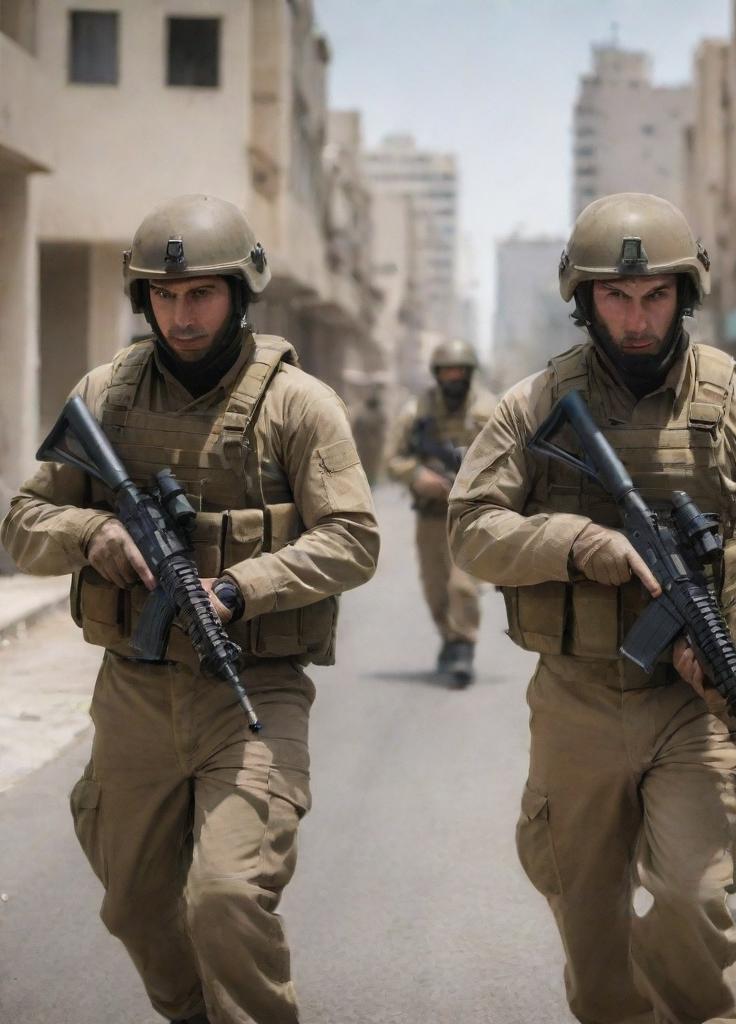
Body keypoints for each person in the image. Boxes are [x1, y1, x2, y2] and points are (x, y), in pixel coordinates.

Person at [448, 193, 736, 1024]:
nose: (634, 317)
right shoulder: (532, 406)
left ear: (685, 295)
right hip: (578, 698)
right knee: (594, 948)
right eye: (615, 297)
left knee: (695, 902)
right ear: (583, 299)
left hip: (696, 710)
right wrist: (573, 541)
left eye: (654, 296)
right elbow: (471, 530)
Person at [1, 194, 379, 1024]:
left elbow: (355, 538)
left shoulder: (298, 405)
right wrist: (94, 531)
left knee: (225, 896)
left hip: (253, 690)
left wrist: (245, 587)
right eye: (164, 297)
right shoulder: (106, 394)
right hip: (133, 690)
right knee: (134, 906)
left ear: (241, 294)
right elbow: (22, 525)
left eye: (200, 293)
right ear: (144, 301)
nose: (181, 314)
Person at [386, 339, 496, 686]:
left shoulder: (487, 410)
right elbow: (392, 458)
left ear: (468, 373)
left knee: (462, 585)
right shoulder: (417, 410)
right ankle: (449, 639)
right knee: (434, 587)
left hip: (471, 514)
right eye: (446, 371)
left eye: (458, 371)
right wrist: (419, 477)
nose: (452, 377)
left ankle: (463, 644)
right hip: (431, 513)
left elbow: (507, 459)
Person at [352, 389, 387, 486]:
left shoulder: (377, 415)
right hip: (366, 448)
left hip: (370, 449)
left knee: (369, 472)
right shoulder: (363, 414)